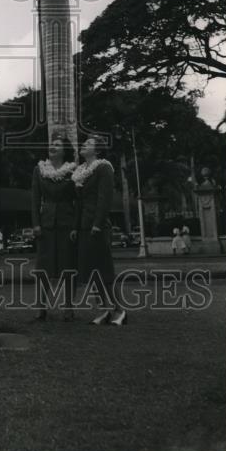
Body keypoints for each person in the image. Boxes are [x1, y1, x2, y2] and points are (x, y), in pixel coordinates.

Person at [74, 133, 126, 326]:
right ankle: (104, 309)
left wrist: (97, 223)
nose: (83, 145)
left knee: (104, 271)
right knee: (91, 272)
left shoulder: (104, 168)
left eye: (88, 143)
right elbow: (79, 203)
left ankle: (120, 310)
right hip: (83, 227)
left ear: (97, 150)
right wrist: (76, 227)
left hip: (97, 226)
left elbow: (104, 199)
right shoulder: (80, 171)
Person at [30, 132, 78, 322]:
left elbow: (78, 200)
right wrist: (36, 223)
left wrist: (75, 225)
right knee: (43, 267)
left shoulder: (74, 170)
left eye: (57, 145)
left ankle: (68, 307)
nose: (52, 147)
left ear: (65, 150)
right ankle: (41, 307)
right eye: (51, 144)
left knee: (68, 267)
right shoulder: (39, 170)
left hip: (67, 223)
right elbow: (34, 199)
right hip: (46, 224)